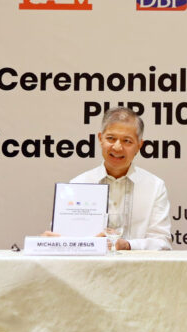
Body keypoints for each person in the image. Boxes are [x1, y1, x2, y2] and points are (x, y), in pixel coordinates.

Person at [45, 107, 172, 250]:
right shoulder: (78, 184)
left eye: (127, 141)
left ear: (139, 145)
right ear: (100, 139)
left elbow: (163, 243)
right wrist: (53, 241)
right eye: (111, 138)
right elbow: (59, 237)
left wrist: (127, 245)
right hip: (89, 264)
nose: (117, 147)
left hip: (137, 264)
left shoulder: (155, 186)